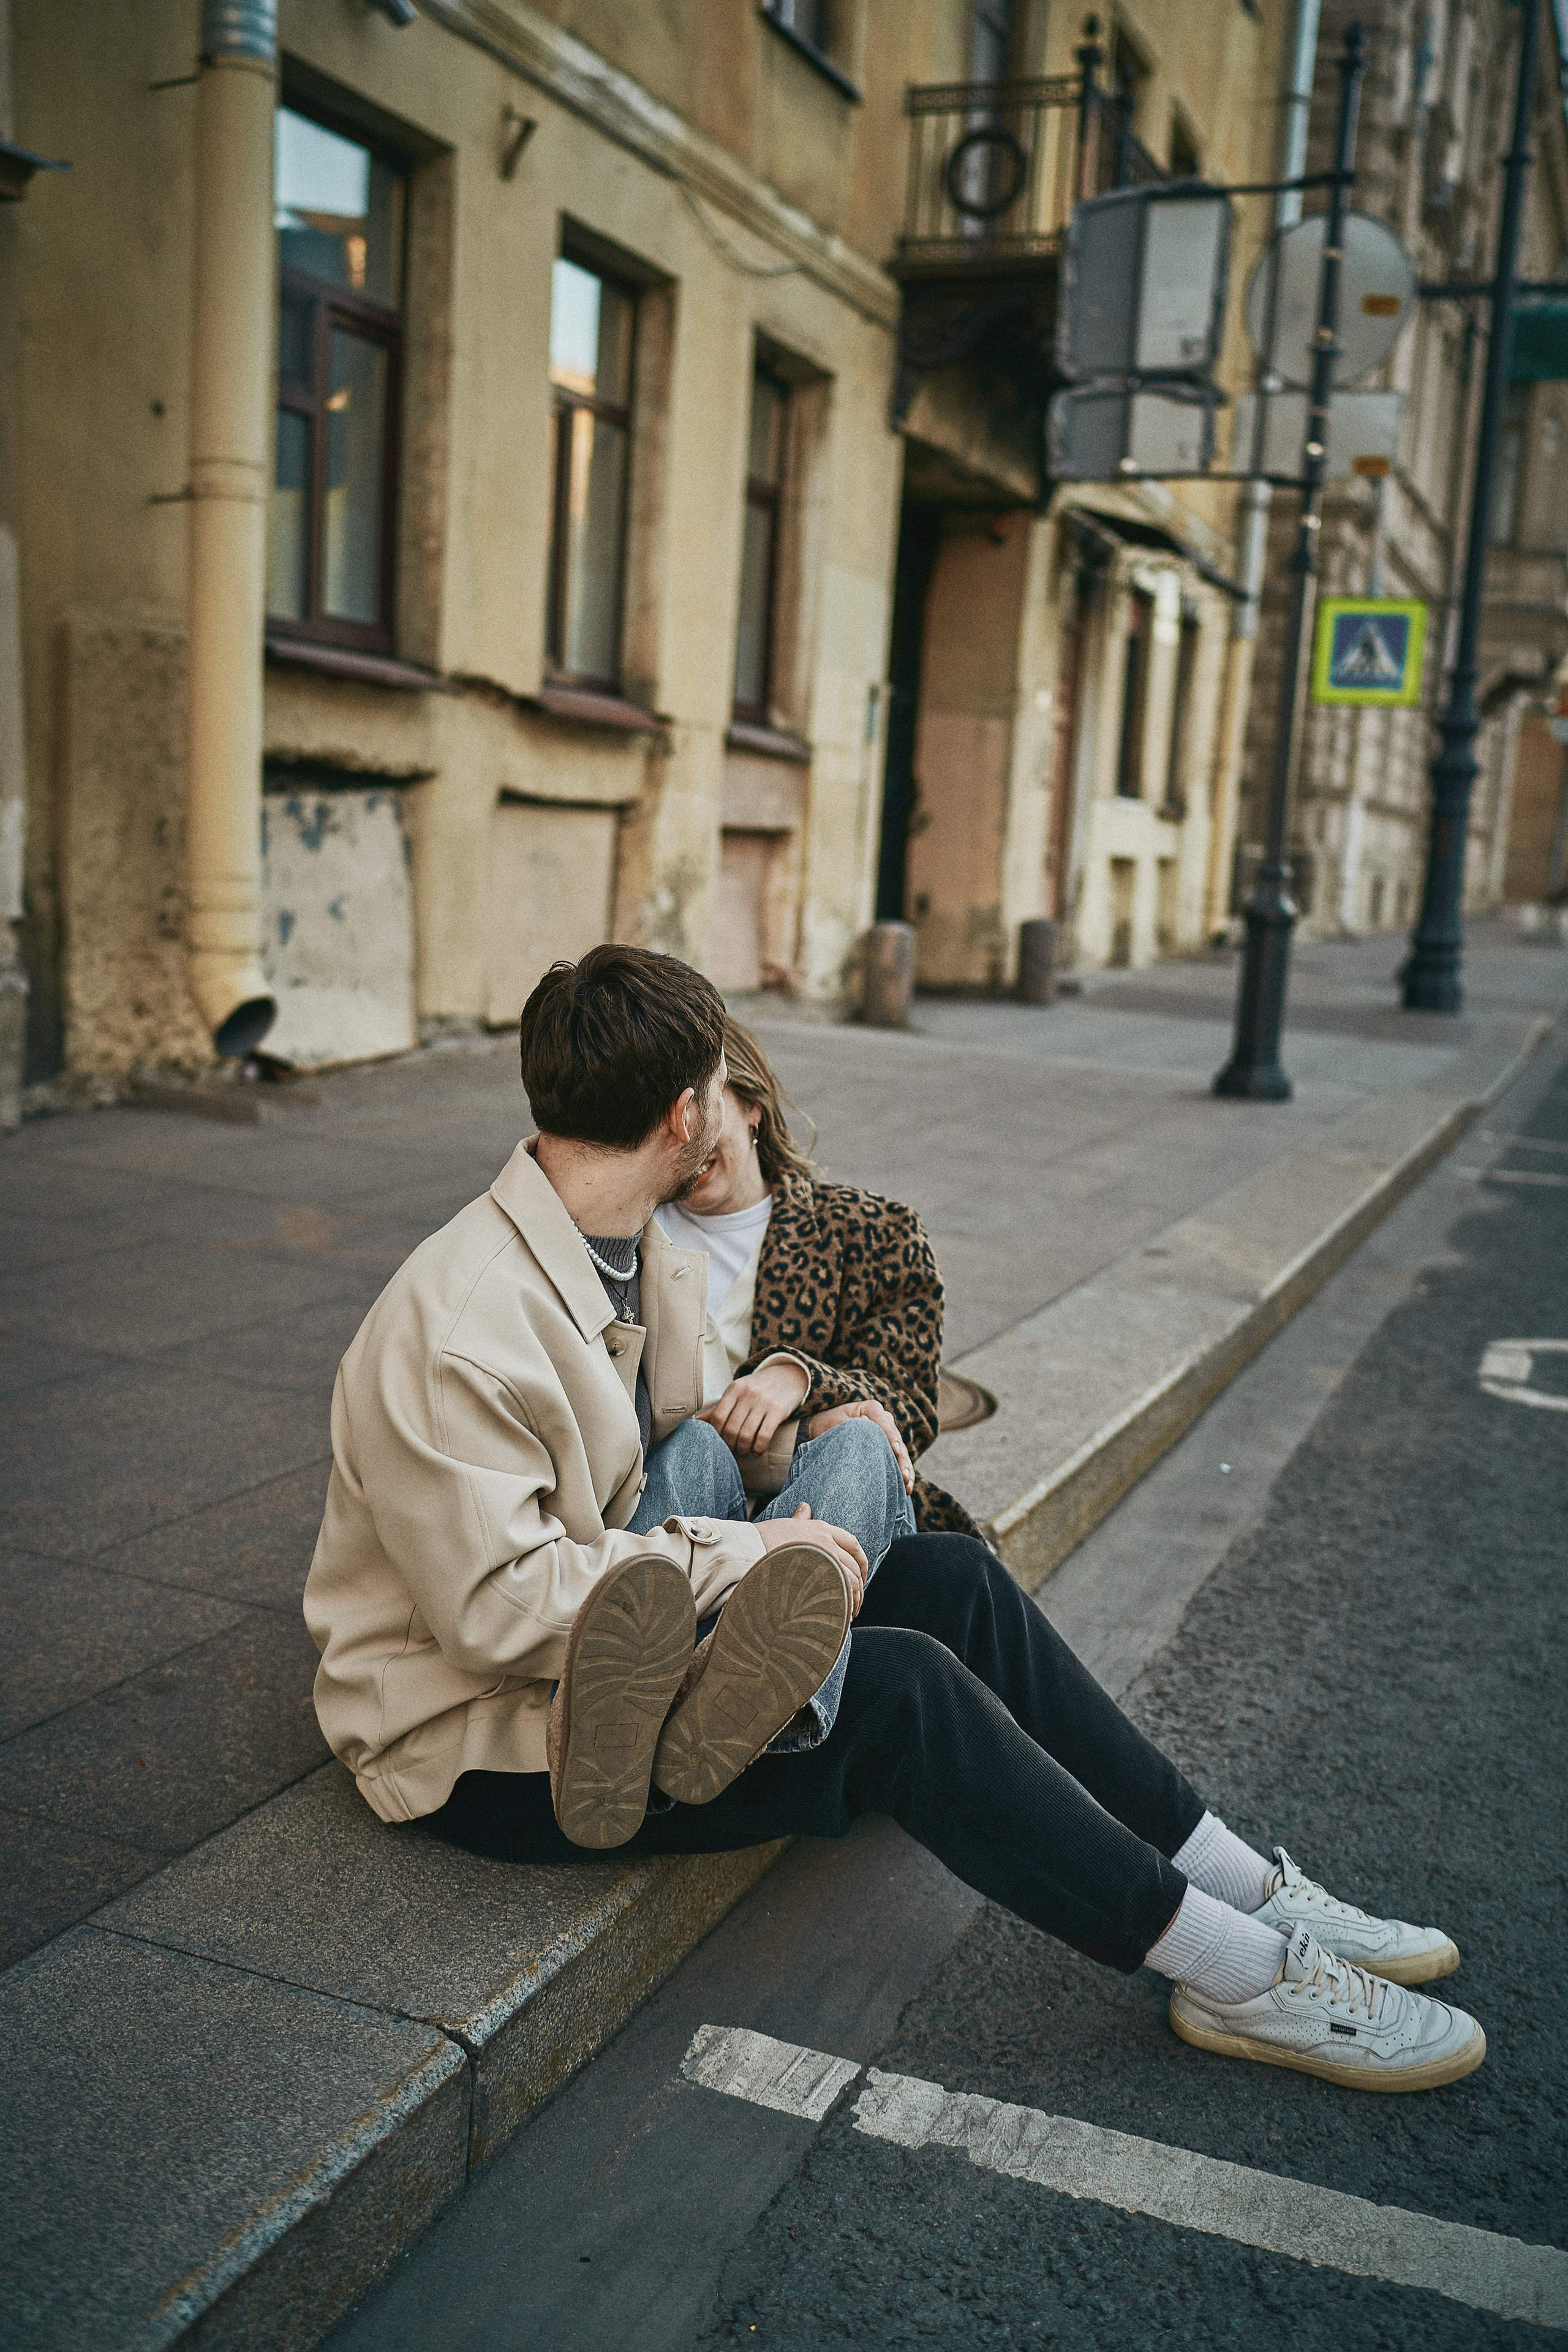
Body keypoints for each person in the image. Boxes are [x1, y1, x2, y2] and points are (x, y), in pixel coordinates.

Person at [304, 945, 1485, 2094]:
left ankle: (1240, 1880)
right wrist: (761, 1548)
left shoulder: (626, 1249)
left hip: (638, 1634)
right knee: (906, 1691)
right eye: (720, 1082)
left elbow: (672, 1473)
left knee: (954, 1583)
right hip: (494, 1740)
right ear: (684, 1114)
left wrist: (826, 1447)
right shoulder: (461, 1327)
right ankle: (1242, 1973)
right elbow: (494, 1612)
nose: (729, 1104)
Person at [654, 1016, 984, 1540]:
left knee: (861, 1443)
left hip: (818, 1502)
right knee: (686, 1452)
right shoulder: (624, 1237)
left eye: (703, 1109)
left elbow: (910, 1407)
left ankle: (782, 1604)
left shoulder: (873, 1234)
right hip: (677, 1506)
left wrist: (798, 1378)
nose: (687, 1135)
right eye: (667, 1115)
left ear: (752, 1108)